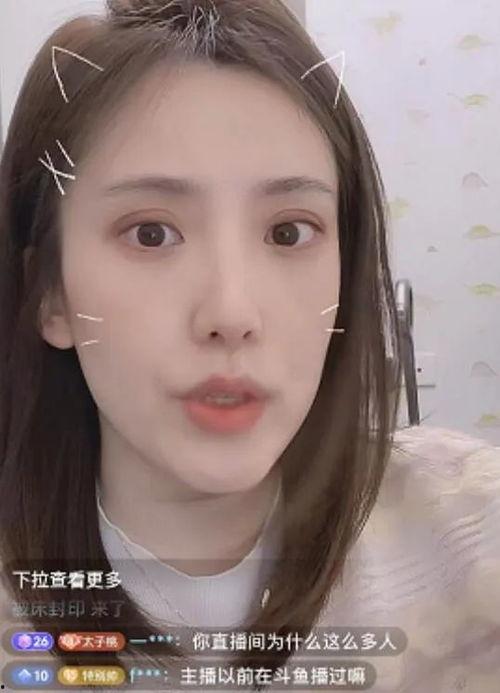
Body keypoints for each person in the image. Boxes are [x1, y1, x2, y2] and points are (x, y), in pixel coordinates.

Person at [0, 1, 498, 691]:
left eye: (289, 232)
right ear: (50, 294)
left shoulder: (474, 531)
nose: (231, 314)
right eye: (151, 233)